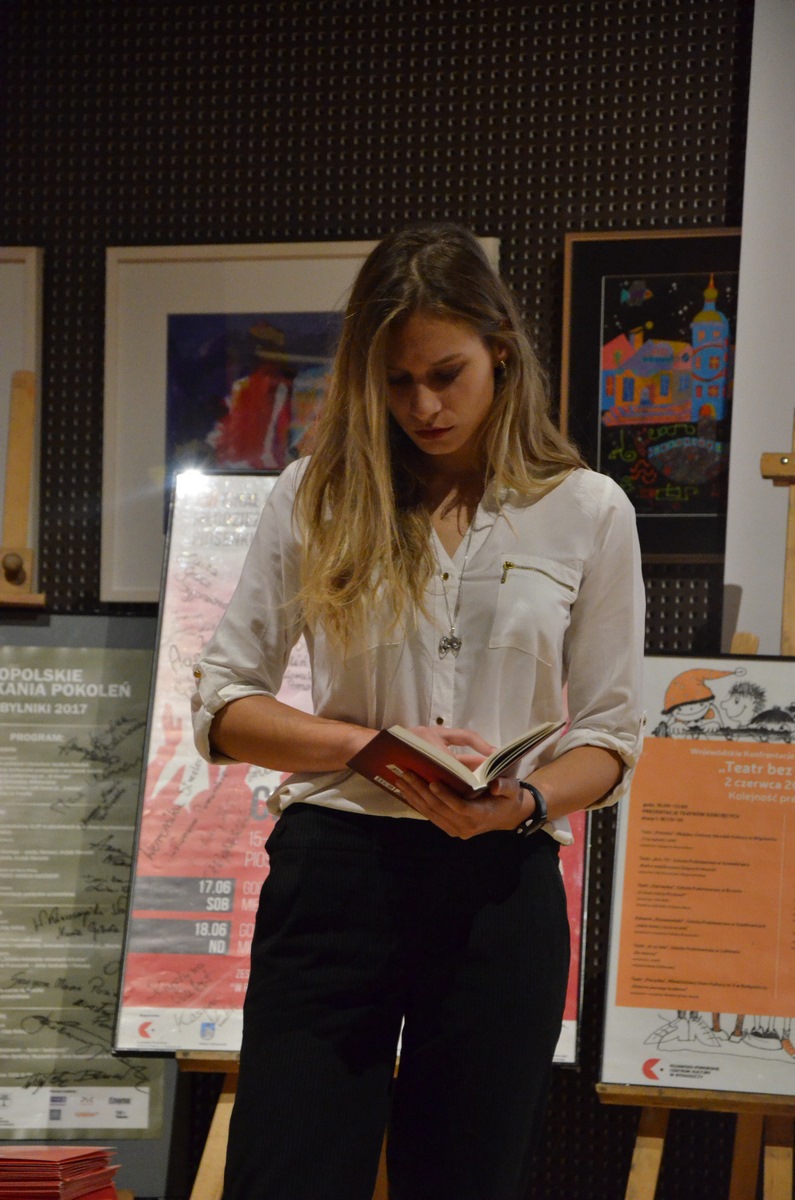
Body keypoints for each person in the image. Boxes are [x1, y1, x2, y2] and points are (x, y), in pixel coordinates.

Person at [191, 223, 646, 1200]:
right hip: (335, 877)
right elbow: (224, 704)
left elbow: (611, 737)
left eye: (446, 374)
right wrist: (365, 745)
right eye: (396, 381)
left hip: (498, 886)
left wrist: (524, 802)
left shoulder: (589, 509)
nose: (424, 406)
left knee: (466, 1180)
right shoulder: (314, 494)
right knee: (285, 1175)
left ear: (501, 353)